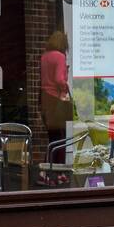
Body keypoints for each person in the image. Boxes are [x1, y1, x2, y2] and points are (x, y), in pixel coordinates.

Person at [40, 30, 72, 163]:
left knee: (52, 138)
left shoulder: (44, 56)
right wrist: (66, 86)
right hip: (56, 100)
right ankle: (57, 173)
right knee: (60, 138)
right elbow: (58, 79)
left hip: (44, 99)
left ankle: (47, 172)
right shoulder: (60, 56)